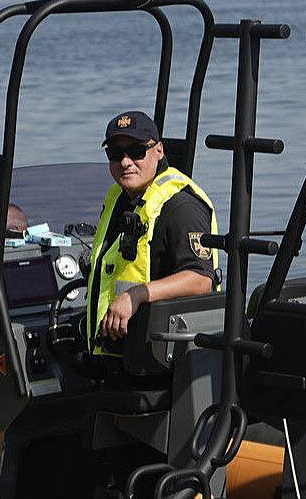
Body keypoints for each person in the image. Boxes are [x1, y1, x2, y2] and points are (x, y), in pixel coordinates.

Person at [87, 111, 219, 355]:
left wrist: (136, 296)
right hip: (118, 353)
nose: (125, 162)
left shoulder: (181, 206)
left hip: (161, 361)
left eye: (137, 152)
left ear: (159, 150)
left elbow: (201, 280)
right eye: (116, 154)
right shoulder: (120, 198)